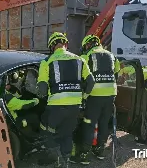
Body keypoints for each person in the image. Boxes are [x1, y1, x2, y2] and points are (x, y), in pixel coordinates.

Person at [37, 32, 95, 167]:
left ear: (51, 46)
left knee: (47, 133)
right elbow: (91, 82)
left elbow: (42, 89)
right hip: (75, 105)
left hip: (56, 106)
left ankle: (55, 159)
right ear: (66, 44)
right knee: (67, 134)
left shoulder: (46, 62)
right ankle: (65, 161)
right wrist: (83, 97)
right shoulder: (80, 60)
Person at [72, 35, 120, 165]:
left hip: (94, 95)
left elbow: (81, 77)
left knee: (89, 123)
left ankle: (84, 155)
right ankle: (100, 150)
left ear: (88, 45)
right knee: (104, 122)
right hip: (111, 94)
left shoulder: (86, 57)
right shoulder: (111, 55)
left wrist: (83, 96)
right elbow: (117, 70)